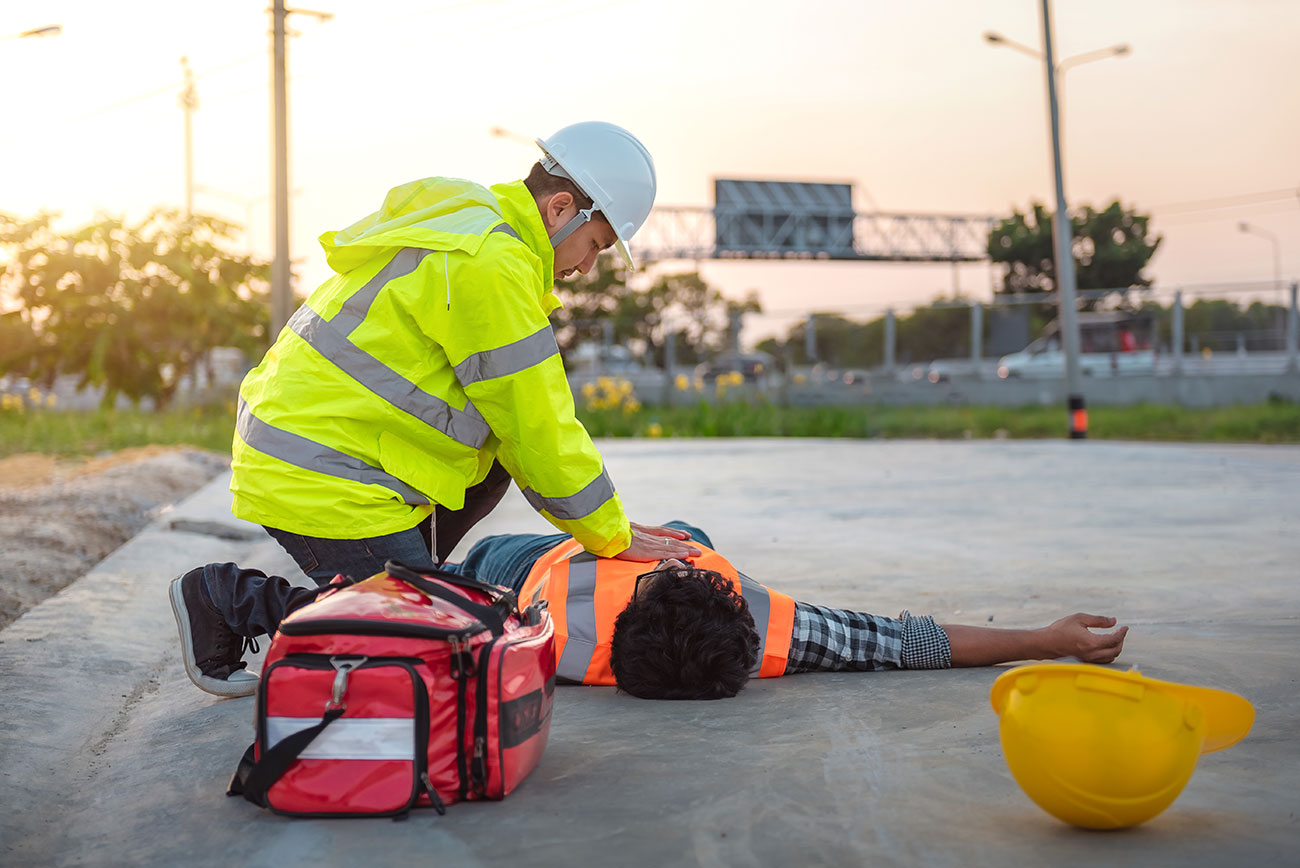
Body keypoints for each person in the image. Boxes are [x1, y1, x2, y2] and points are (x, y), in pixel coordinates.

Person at [225, 121, 699, 621]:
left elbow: (519, 431)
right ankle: (230, 600)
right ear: (559, 209)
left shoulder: (469, 223)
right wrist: (612, 534)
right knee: (452, 639)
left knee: (493, 465)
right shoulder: (490, 264)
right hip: (319, 474)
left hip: (312, 452)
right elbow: (539, 425)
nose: (586, 268)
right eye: (597, 245)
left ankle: (409, 585)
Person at [170, 522, 1128, 699]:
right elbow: (908, 643)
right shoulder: (773, 630)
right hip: (540, 551)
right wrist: (1041, 640)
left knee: (424, 602)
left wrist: (1047, 637)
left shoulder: (537, 637)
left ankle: (236, 597)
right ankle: (670, 529)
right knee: (681, 524)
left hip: (523, 565)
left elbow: (909, 640)